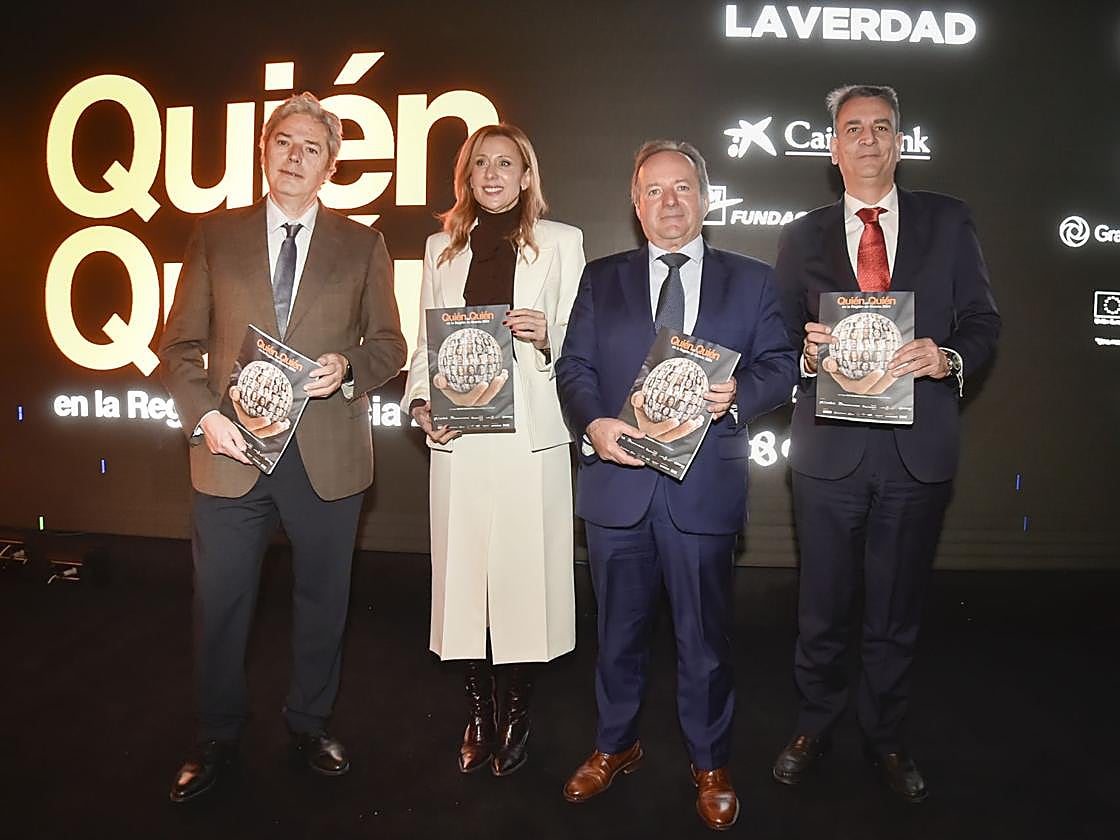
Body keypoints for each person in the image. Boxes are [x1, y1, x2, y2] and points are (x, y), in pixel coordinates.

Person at [158, 92, 406, 803]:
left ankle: (309, 722)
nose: (296, 157)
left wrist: (349, 368)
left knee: (324, 599)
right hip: (230, 453)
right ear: (264, 151)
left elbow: (389, 345)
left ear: (330, 163)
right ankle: (216, 734)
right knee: (221, 601)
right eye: (284, 143)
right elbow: (179, 346)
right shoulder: (214, 235)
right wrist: (206, 417)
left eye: (312, 148)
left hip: (327, 458)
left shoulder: (363, 244)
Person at [556, 140, 796, 830]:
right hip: (618, 485)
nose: (669, 201)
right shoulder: (601, 278)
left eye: (682, 187)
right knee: (618, 633)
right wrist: (595, 424)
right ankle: (615, 746)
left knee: (705, 640)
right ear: (635, 206)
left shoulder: (750, 281)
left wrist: (739, 395)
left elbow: (781, 365)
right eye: (653, 190)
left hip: (703, 489)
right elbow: (574, 368)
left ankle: (710, 761)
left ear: (706, 197)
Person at [772, 84, 1000, 802]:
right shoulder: (799, 235)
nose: (867, 139)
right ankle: (814, 724)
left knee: (897, 611)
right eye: (852, 128)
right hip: (829, 454)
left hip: (916, 448)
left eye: (880, 127)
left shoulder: (949, 221)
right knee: (822, 606)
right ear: (832, 147)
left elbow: (984, 324)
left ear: (899, 140)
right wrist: (806, 357)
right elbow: (777, 342)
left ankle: (886, 736)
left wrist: (949, 358)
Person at [403, 124, 584, 777]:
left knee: (521, 581)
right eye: (480, 162)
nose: (492, 172)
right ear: (467, 175)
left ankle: (517, 713)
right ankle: (478, 713)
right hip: (460, 435)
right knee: (464, 581)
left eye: (506, 162)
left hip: (530, 438)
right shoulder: (439, 248)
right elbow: (425, 346)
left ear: (527, 174)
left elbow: (582, 342)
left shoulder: (562, 243)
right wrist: (421, 405)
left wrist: (549, 334)